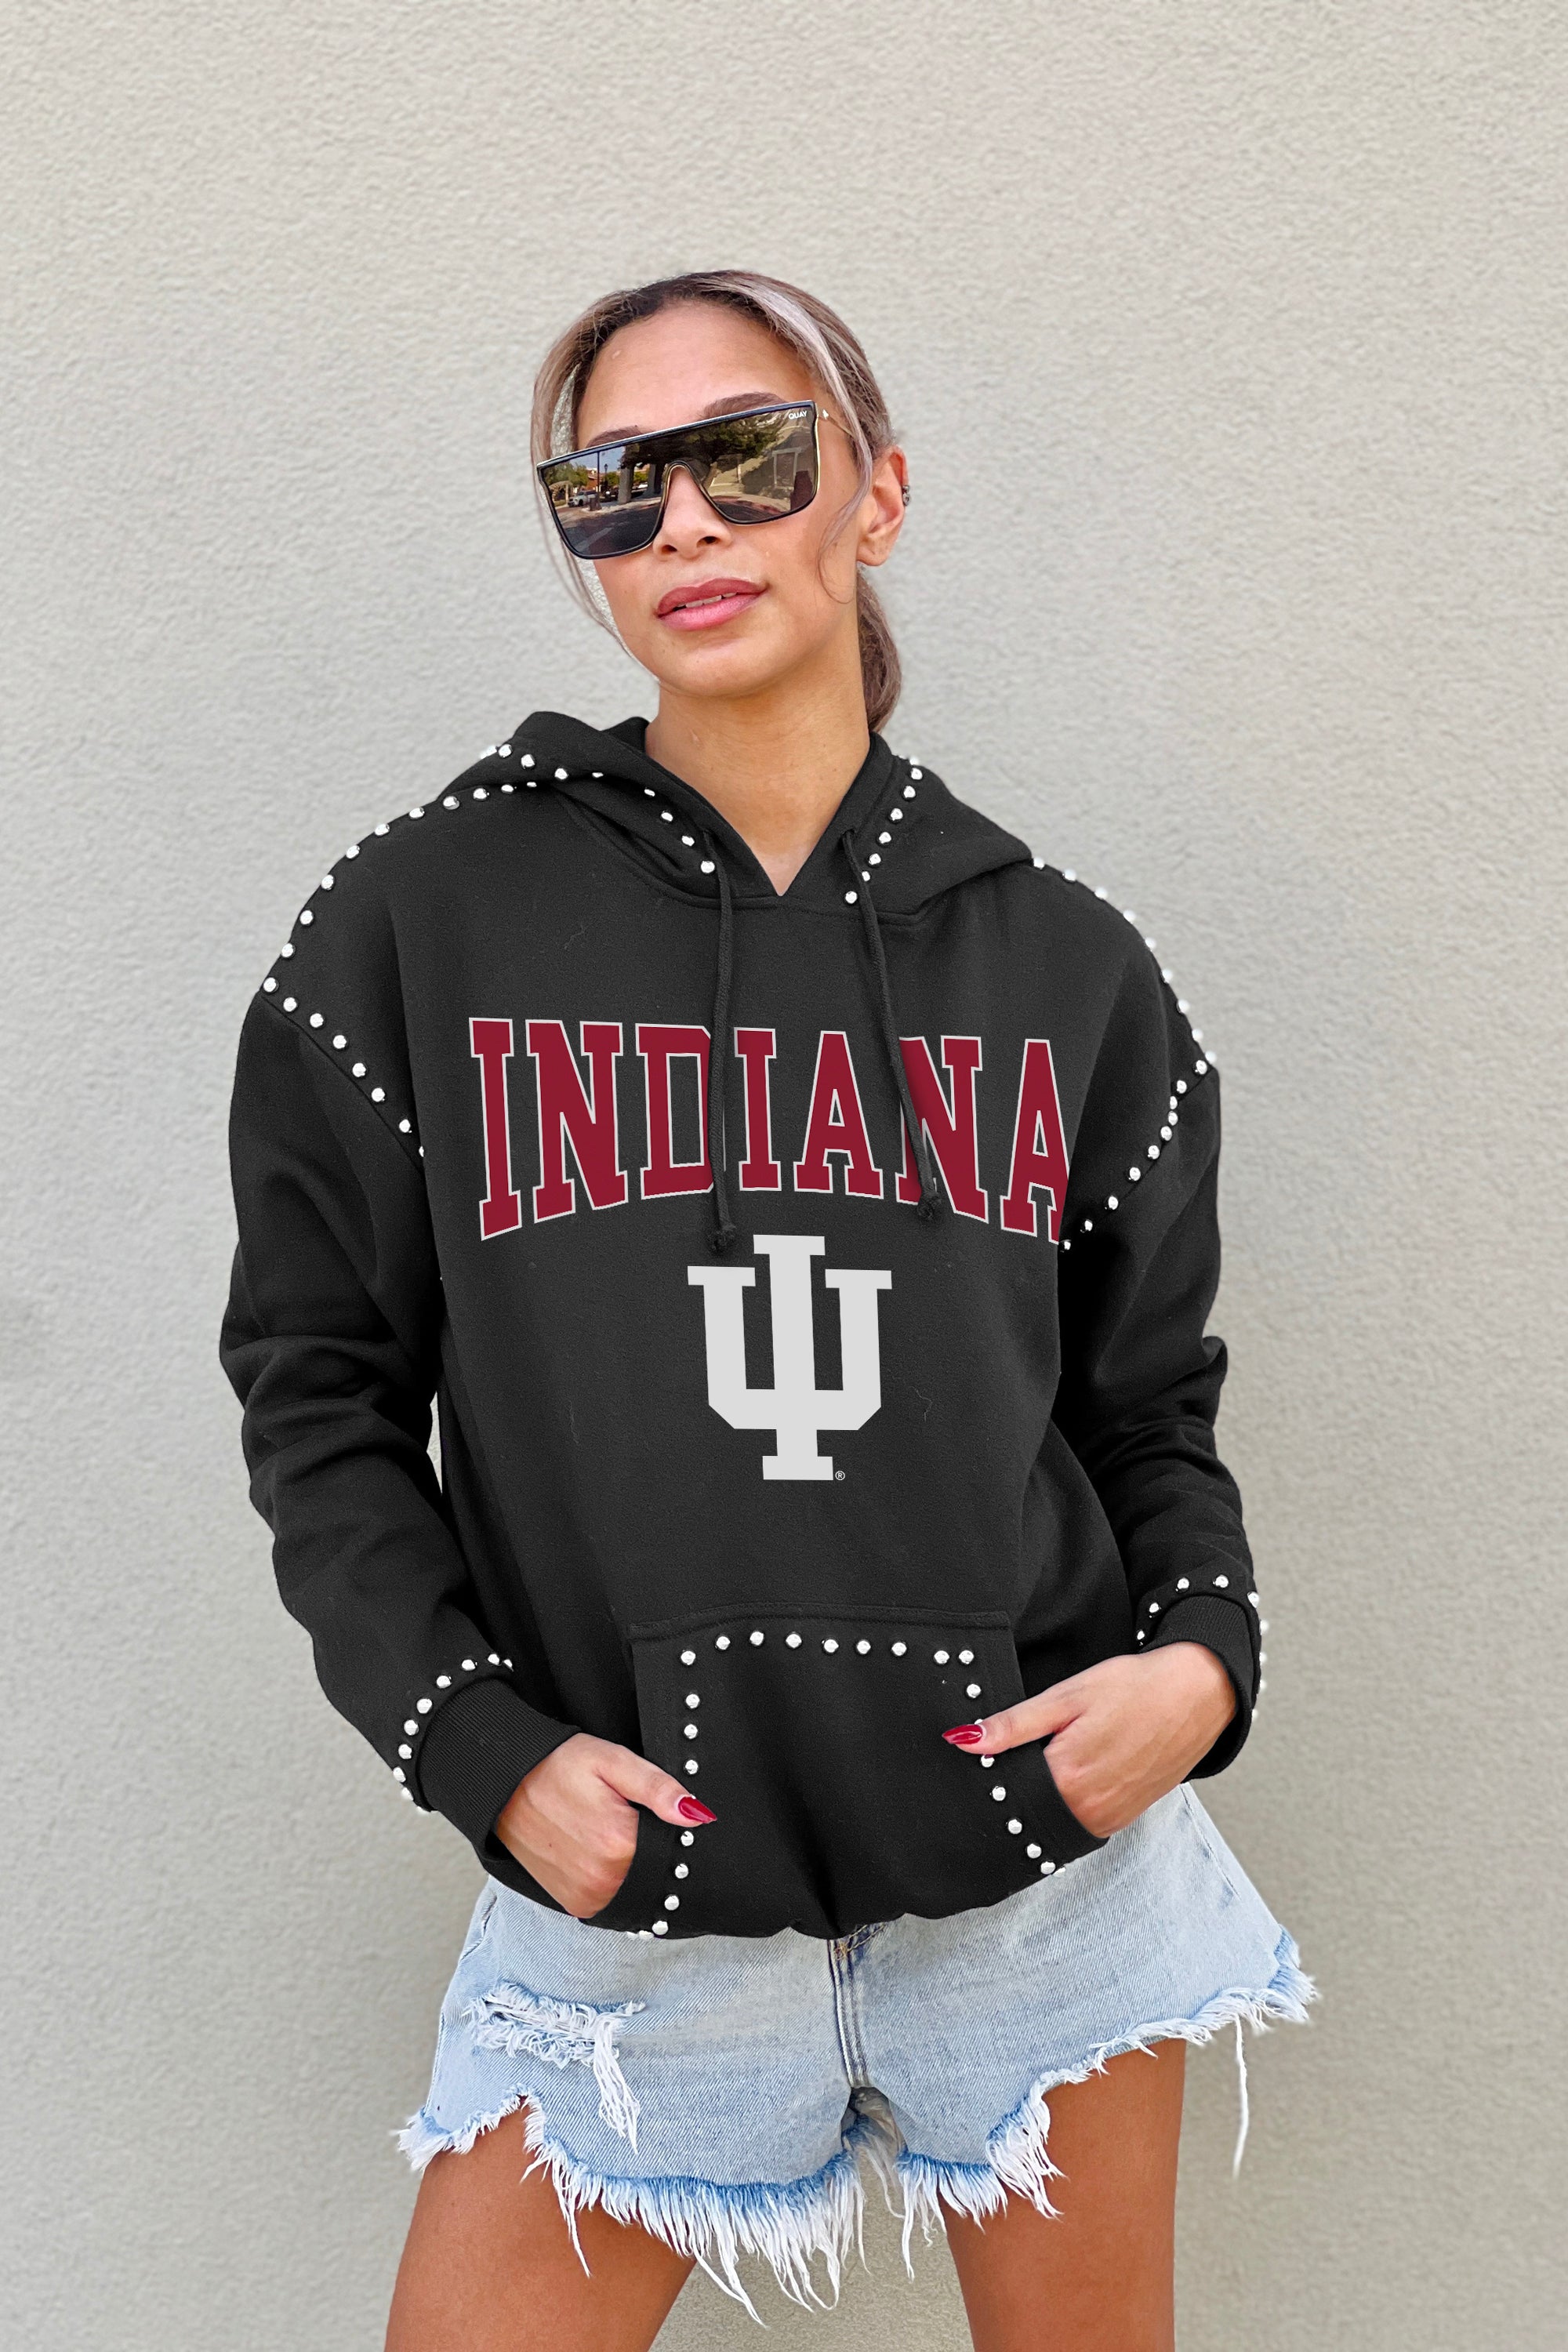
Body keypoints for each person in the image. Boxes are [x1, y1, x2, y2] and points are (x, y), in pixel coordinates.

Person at [220, 269, 1313, 2351]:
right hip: (636, 1901)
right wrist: (478, 1747)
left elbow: (1148, 1410)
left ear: (874, 493)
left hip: (1047, 1887)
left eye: (747, 454)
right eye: (611, 487)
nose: (685, 524)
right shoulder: (414, 931)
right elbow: (318, 1391)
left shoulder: (1071, 971)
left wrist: (1200, 1664)